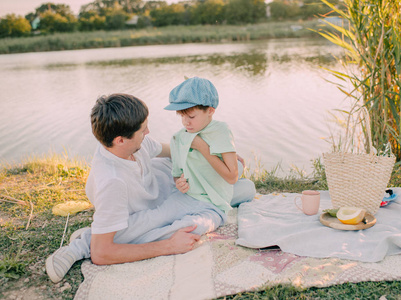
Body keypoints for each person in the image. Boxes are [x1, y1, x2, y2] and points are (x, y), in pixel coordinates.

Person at [45, 93, 255, 283]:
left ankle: (99, 235)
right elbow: (101, 256)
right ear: (120, 140)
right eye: (142, 129)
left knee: (247, 189)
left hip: (173, 187)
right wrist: (169, 247)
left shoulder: (134, 142)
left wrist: (218, 156)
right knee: (198, 224)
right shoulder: (112, 182)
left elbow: (174, 149)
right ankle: (87, 242)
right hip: (149, 214)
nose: (148, 131)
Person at [164, 76, 255, 213]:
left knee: (242, 174)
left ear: (210, 111)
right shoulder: (178, 138)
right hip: (202, 195)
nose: (185, 122)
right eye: (182, 116)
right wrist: (179, 182)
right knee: (248, 187)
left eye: (191, 117)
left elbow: (232, 177)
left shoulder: (220, 131)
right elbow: (177, 173)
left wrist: (203, 147)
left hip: (220, 180)